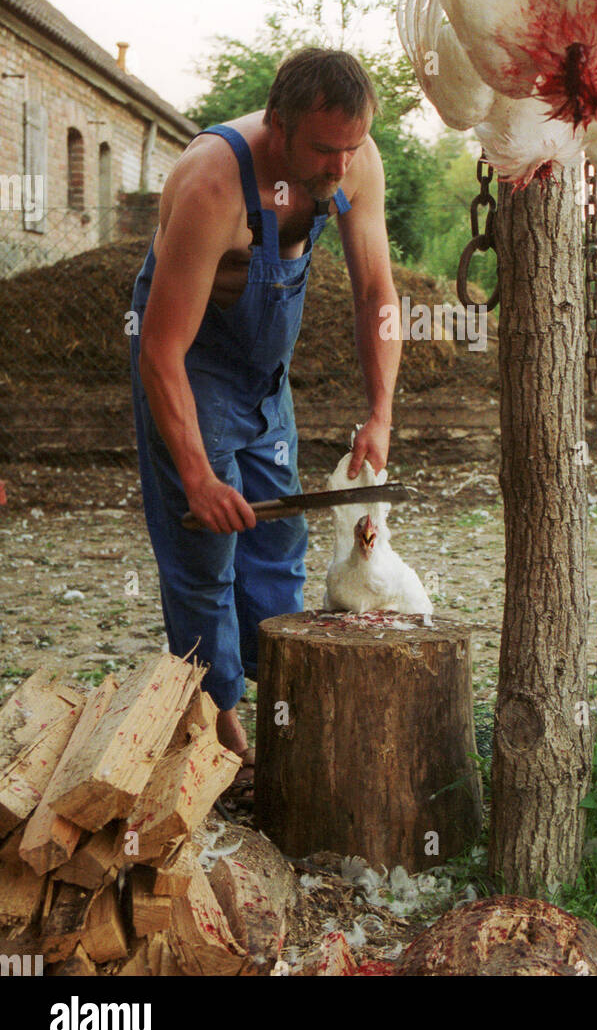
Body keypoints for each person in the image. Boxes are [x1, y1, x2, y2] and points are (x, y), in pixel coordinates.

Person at [129, 47, 402, 781]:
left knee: (279, 545)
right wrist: (197, 477)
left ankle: (281, 711)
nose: (341, 166)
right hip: (190, 362)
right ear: (277, 126)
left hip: (263, 374)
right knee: (202, 560)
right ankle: (219, 733)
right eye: (323, 149)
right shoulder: (214, 184)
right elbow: (159, 348)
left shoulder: (353, 160)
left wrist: (380, 412)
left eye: (351, 146)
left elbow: (377, 293)